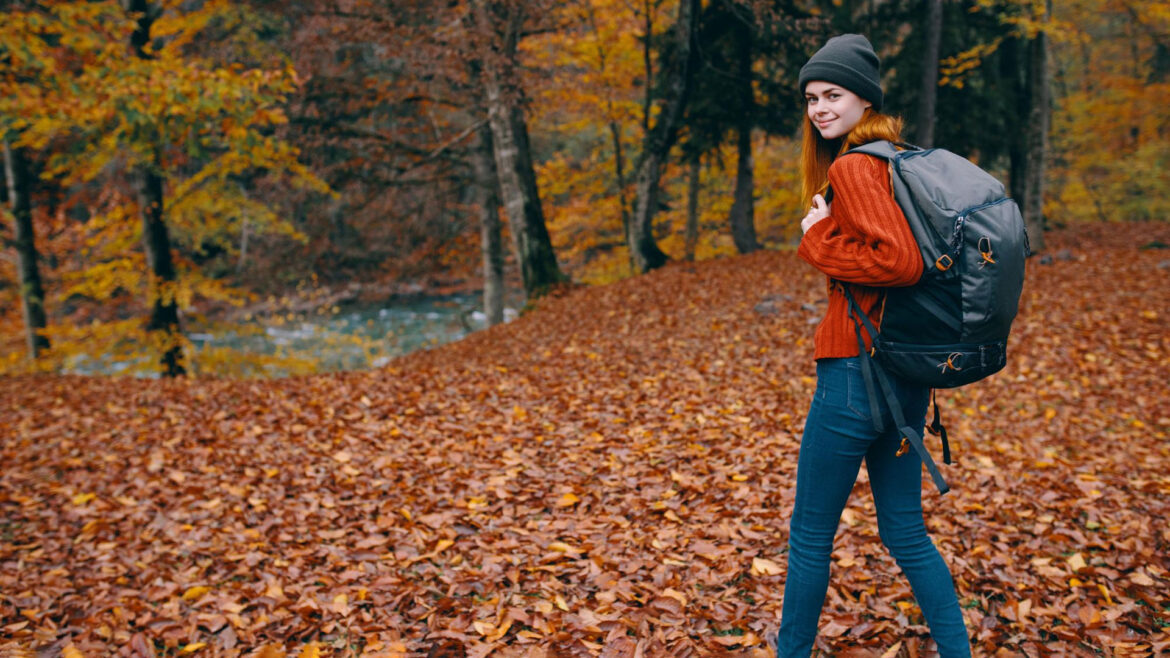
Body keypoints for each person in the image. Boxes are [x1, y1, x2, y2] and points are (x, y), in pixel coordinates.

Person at [774, 34, 972, 657]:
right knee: (905, 532)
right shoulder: (896, 159)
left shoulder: (856, 166)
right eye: (811, 97)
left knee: (809, 538)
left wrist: (816, 238)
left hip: (853, 379)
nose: (820, 108)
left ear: (865, 98)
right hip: (902, 377)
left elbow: (902, 262)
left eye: (833, 94)